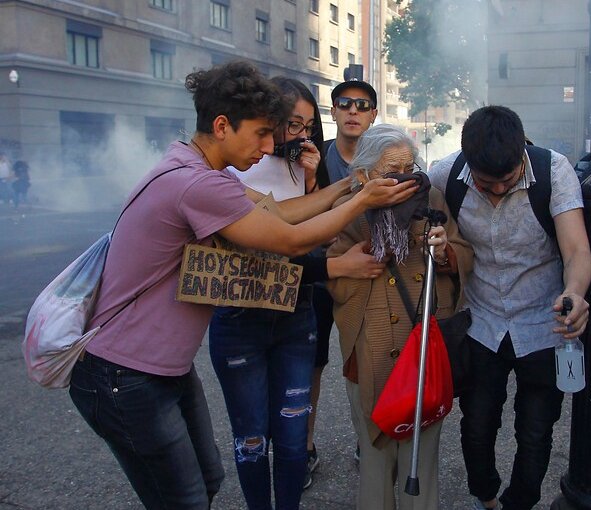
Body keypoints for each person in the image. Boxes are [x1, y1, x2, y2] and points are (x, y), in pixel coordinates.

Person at [67, 61, 417, 509]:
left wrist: (351, 182)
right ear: (221, 126)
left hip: (161, 370)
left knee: (209, 479)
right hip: (125, 374)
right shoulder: (197, 185)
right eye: (261, 133)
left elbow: (280, 211)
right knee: (187, 497)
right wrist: (363, 200)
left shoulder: (195, 166)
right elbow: (289, 238)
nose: (272, 146)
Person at [207, 76, 384, 509]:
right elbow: (280, 239)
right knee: (251, 437)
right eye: (288, 125)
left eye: (307, 126)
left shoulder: (303, 163)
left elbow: (307, 233)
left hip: (294, 311)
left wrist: (312, 182)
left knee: (291, 435)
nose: (298, 137)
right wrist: (348, 203)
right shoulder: (228, 170)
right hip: (240, 316)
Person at [429, 106, 591, 510]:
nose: (498, 190)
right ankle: (485, 494)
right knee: (477, 425)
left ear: (522, 153)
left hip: (543, 321)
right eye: (487, 184)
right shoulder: (445, 175)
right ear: (468, 162)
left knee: (536, 430)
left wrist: (575, 292)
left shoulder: (554, 171)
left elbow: (576, 250)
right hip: (482, 321)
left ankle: (520, 502)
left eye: (508, 180)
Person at [327, 124, 473, 510]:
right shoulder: (347, 209)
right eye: (393, 170)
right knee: (375, 458)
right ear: (363, 175)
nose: (406, 177)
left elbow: (462, 251)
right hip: (371, 347)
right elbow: (329, 274)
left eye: (410, 166)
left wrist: (443, 253)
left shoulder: (432, 196)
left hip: (424, 345)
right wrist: (350, 265)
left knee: (421, 461)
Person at [306, 78, 381, 478]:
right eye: (345, 104)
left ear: (373, 115)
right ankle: (304, 446)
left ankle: (366, 438)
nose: (353, 111)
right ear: (333, 112)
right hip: (319, 275)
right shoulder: (313, 158)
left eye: (362, 105)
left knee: (365, 361)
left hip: (365, 275)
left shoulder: (387, 158)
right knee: (311, 364)